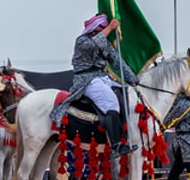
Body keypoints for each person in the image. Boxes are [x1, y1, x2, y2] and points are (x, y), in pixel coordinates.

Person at [51, 14, 138, 159]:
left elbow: (117, 62)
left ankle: (125, 134)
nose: (104, 33)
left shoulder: (104, 43)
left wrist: (133, 79)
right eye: (101, 30)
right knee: (111, 103)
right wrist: (110, 27)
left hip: (104, 78)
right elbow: (94, 44)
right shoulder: (82, 41)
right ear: (93, 30)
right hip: (87, 79)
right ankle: (115, 145)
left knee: (126, 95)